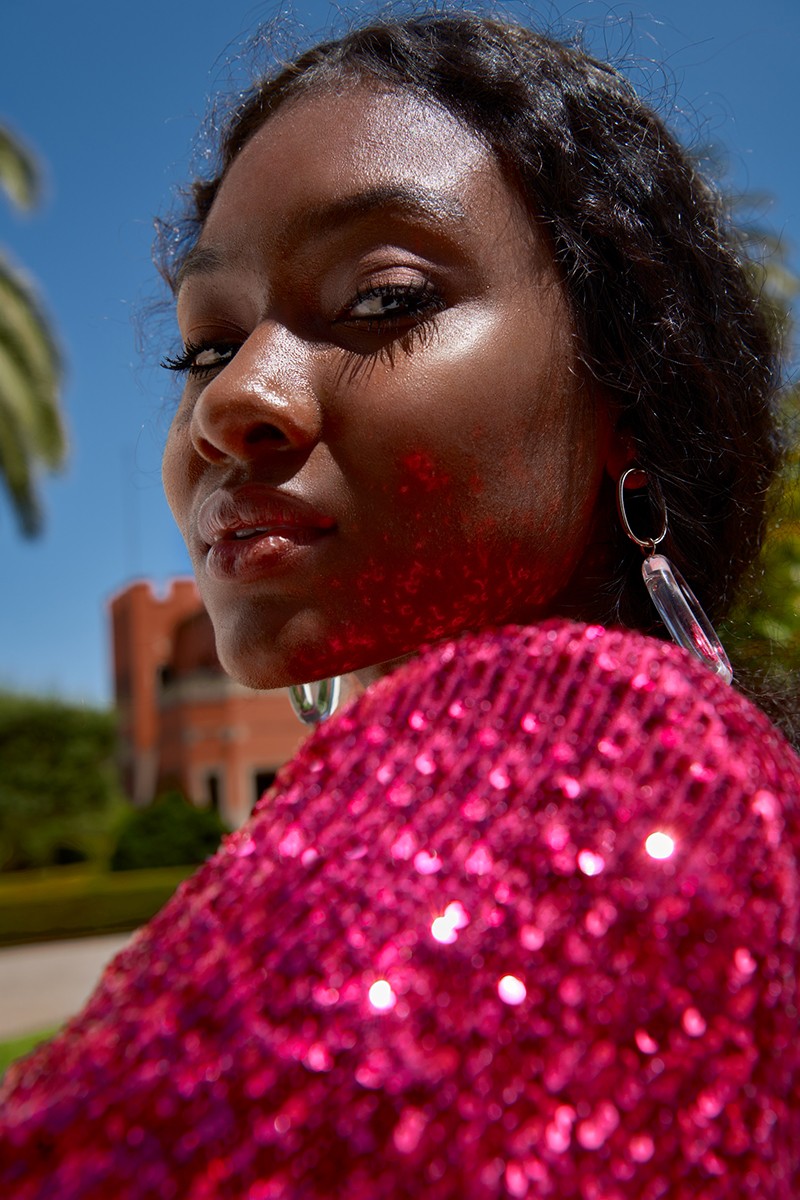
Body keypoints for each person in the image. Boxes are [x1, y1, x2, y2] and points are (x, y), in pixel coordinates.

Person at [1, 10, 798, 1197]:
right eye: (204, 348)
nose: (230, 401)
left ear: (624, 392)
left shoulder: (606, 755)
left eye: (382, 299)